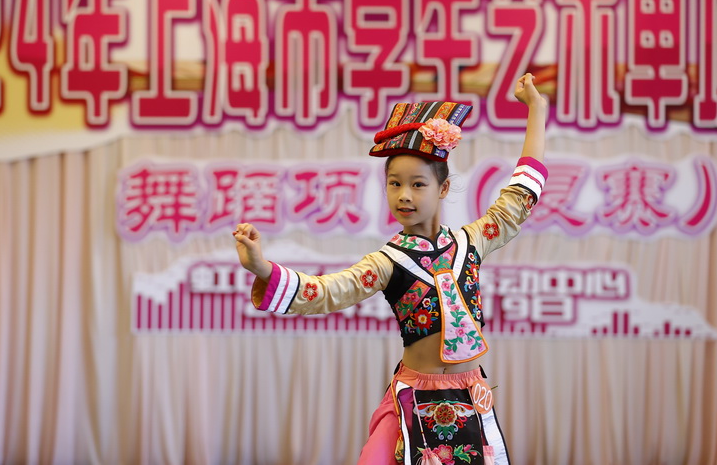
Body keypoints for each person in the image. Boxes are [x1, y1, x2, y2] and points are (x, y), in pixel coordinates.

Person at [234, 73, 548, 465]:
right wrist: (262, 267)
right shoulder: (387, 261)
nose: (404, 195)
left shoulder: (472, 241)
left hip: (471, 397)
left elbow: (521, 196)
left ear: (443, 189)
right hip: (413, 400)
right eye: (395, 184)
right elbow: (328, 291)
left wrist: (536, 110)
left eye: (418, 184)